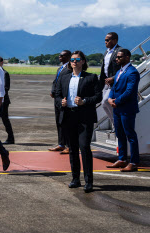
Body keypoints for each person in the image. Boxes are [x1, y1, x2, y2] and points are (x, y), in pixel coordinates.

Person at [55, 51, 102, 193]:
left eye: (77, 59)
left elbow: (98, 96)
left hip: (84, 117)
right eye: (72, 59)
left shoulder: (91, 77)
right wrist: (61, 102)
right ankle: (75, 179)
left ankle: (89, 181)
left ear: (83, 61)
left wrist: (84, 101)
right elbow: (57, 95)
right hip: (68, 115)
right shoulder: (64, 78)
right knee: (73, 149)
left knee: (84, 147)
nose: (74, 62)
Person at [107, 49, 140, 172]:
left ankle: (134, 161)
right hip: (117, 109)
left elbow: (130, 91)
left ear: (127, 57)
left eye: (119, 57)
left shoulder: (132, 73)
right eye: (117, 57)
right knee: (119, 134)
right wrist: (110, 98)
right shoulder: (119, 72)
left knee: (130, 135)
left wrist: (116, 101)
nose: (117, 59)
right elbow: (114, 87)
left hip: (127, 109)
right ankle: (122, 159)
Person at [49, 50, 71, 154]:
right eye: (59, 55)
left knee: (65, 122)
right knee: (58, 121)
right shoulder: (60, 68)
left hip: (64, 98)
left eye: (62, 56)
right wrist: (53, 91)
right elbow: (55, 81)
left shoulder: (69, 68)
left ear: (68, 57)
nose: (59, 57)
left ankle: (68, 145)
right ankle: (61, 144)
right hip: (57, 98)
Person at [99, 32, 122, 133]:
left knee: (106, 101)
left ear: (115, 40)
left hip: (115, 82)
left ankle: (117, 124)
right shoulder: (107, 52)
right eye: (105, 40)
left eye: (108, 40)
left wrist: (113, 77)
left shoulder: (120, 51)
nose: (105, 42)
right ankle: (115, 124)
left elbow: (123, 68)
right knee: (103, 104)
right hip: (106, 83)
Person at [0, 56, 15, 144]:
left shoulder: (4, 73)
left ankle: (10, 138)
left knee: (5, 120)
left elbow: (6, 88)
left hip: (3, 101)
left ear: (2, 63)